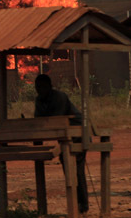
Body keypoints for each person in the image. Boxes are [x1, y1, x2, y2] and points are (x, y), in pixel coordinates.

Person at [34, 74, 89, 214]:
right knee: (68, 166)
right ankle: (78, 204)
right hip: (65, 136)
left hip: (77, 134)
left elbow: (56, 120)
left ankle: (82, 205)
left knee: (76, 169)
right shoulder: (39, 100)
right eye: (37, 87)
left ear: (49, 86)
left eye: (42, 87)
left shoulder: (60, 97)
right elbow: (39, 119)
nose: (39, 90)